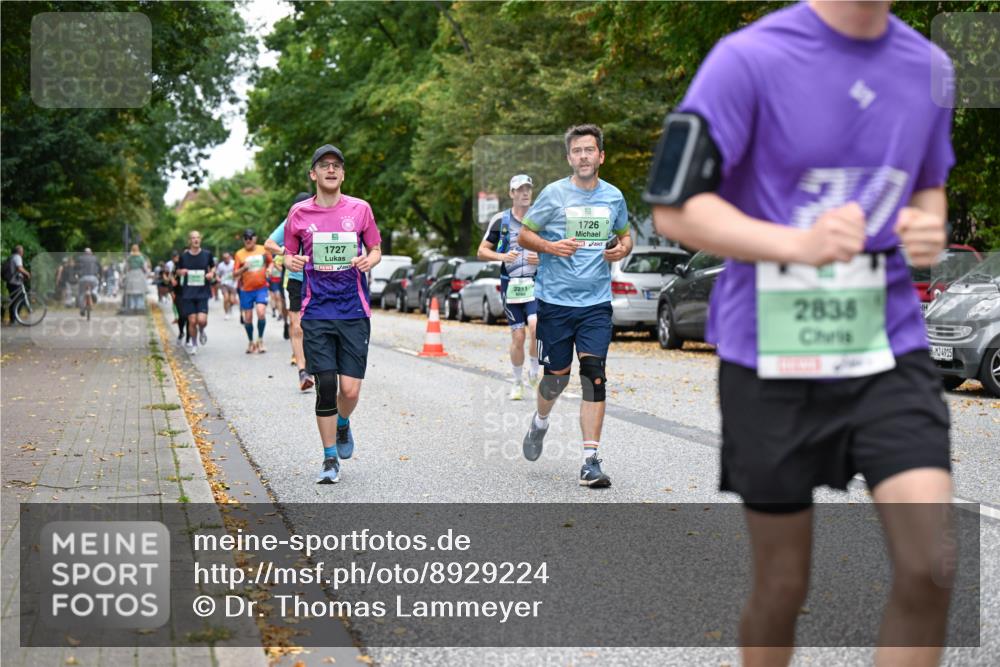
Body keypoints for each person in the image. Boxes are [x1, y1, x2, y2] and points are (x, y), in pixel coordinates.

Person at [649, 2, 956, 665]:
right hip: (770, 354)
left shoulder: (932, 69)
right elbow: (674, 206)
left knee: (931, 564)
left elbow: (928, 187)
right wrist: (798, 243)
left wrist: (928, 223)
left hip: (887, 345)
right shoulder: (745, 59)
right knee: (783, 584)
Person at [517, 124, 632, 488]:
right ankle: (540, 421)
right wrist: (550, 247)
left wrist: (622, 249)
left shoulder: (614, 197)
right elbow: (524, 234)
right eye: (577, 151)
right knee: (556, 380)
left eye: (590, 150)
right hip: (554, 302)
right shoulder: (554, 195)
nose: (584, 156)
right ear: (570, 158)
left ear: (601, 156)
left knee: (594, 375)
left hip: (596, 304)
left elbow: (626, 237)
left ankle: (590, 461)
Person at [283, 144, 382, 485]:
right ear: (313, 173)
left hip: (353, 309)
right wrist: (290, 261)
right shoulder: (298, 213)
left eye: (336, 165)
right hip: (316, 310)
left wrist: (371, 259)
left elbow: (376, 248)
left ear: (342, 173)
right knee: (326, 384)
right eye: (323, 165)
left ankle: (343, 423)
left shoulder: (360, 209)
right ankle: (329, 459)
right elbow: (288, 254)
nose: (330, 170)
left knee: (350, 391)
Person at [477, 174, 541, 400]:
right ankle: (517, 381)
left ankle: (534, 369)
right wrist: (503, 256)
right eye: (519, 189)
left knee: (535, 327)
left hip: (535, 284)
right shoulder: (501, 220)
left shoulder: (541, 217)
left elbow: (555, 248)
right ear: (511, 193)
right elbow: (482, 251)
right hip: (511, 285)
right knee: (518, 336)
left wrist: (541, 258)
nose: (524, 193)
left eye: (528, 189)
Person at [264, 192, 316, 391]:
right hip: (296, 280)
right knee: (297, 325)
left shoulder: (321, 218)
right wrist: (287, 252)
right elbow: (269, 243)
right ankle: (303, 372)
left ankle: (314, 366)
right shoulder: (289, 222)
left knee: (314, 325)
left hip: (319, 280)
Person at [233, 229, 272, 354]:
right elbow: (234, 274)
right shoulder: (239, 254)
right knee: (248, 318)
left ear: (255, 238)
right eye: (246, 238)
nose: (248, 240)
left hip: (261, 288)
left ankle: (260, 340)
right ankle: (251, 342)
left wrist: (269, 269)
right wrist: (244, 268)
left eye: (250, 237)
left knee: (261, 312)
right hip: (246, 290)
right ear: (243, 240)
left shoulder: (263, 249)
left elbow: (271, 262)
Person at [176, 231, 215, 354]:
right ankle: (194, 344)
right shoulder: (184, 256)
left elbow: (213, 267)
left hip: (203, 291)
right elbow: (177, 271)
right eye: (193, 238)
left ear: (200, 239)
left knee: (202, 320)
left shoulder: (207, 254)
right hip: (188, 292)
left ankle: (202, 331)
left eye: (198, 237)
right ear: (189, 241)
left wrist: (211, 273)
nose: (196, 240)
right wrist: (181, 272)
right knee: (192, 321)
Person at [3, 245, 31, 325]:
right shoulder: (17, 257)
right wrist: (27, 273)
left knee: (14, 301)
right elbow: (19, 268)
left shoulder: (11, 257)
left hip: (10, 282)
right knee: (20, 301)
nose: (23, 252)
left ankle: (13, 320)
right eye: (22, 250)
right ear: (19, 251)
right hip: (15, 282)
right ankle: (14, 319)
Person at [75, 248, 101, 317]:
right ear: (91, 253)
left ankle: (82, 309)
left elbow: (76, 268)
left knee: (81, 293)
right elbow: (99, 268)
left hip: (83, 278)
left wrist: (77, 275)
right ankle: (94, 292)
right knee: (96, 286)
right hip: (93, 278)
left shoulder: (80, 258)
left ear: (84, 253)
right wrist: (99, 275)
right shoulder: (95, 258)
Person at [124, 244, 149, 313]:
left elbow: (126, 267)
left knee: (132, 292)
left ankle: (132, 306)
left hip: (131, 274)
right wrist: (146, 274)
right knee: (140, 292)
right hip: (139, 274)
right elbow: (145, 267)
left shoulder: (129, 257)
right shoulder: (141, 257)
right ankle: (140, 307)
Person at [215, 252, 237, 320]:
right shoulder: (221, 265)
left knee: (232, 301)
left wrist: (237, 277)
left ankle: (230, 307)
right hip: (224, 284)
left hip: (233, 284)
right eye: (224, 258)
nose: (226, 259)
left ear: (230, 257)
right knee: (226, 298)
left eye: (227, 257)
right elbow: (217, 275)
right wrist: (218, 279)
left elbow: (238, 272)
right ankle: (226, 313)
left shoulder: (234, 263)